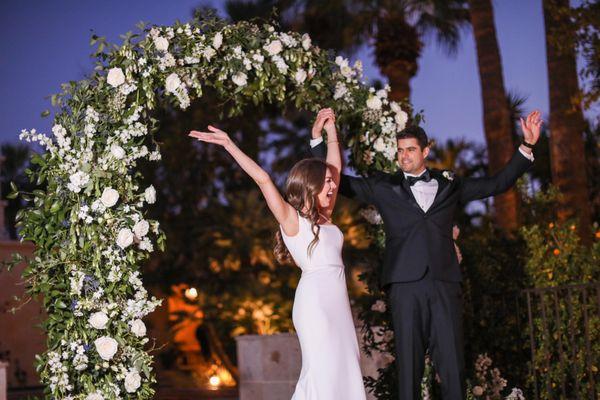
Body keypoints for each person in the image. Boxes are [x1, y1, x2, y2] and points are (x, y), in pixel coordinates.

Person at [309, 110, 543, 399]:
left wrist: (527, 146)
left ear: (426, 151)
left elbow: (497, 184)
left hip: (445, 284)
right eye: (400, 151)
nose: (404, 156)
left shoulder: (450, 184)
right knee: (409, 368)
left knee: (453, 366)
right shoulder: (384, 186)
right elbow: (339, 182)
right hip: (404, 286)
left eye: (410, 150)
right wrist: (318, 140)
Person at [189, 108, 367, 400]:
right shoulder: (292, 220)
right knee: (322, 370)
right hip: (315, 305)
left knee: (346, 365)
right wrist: (229, 145)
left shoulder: (326, 217)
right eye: (327, 182)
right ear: (310, 184)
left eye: (333, 182)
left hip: (338, 304)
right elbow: (262, 179)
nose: (334, 184)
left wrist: (331, 130)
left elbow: (334, 165)